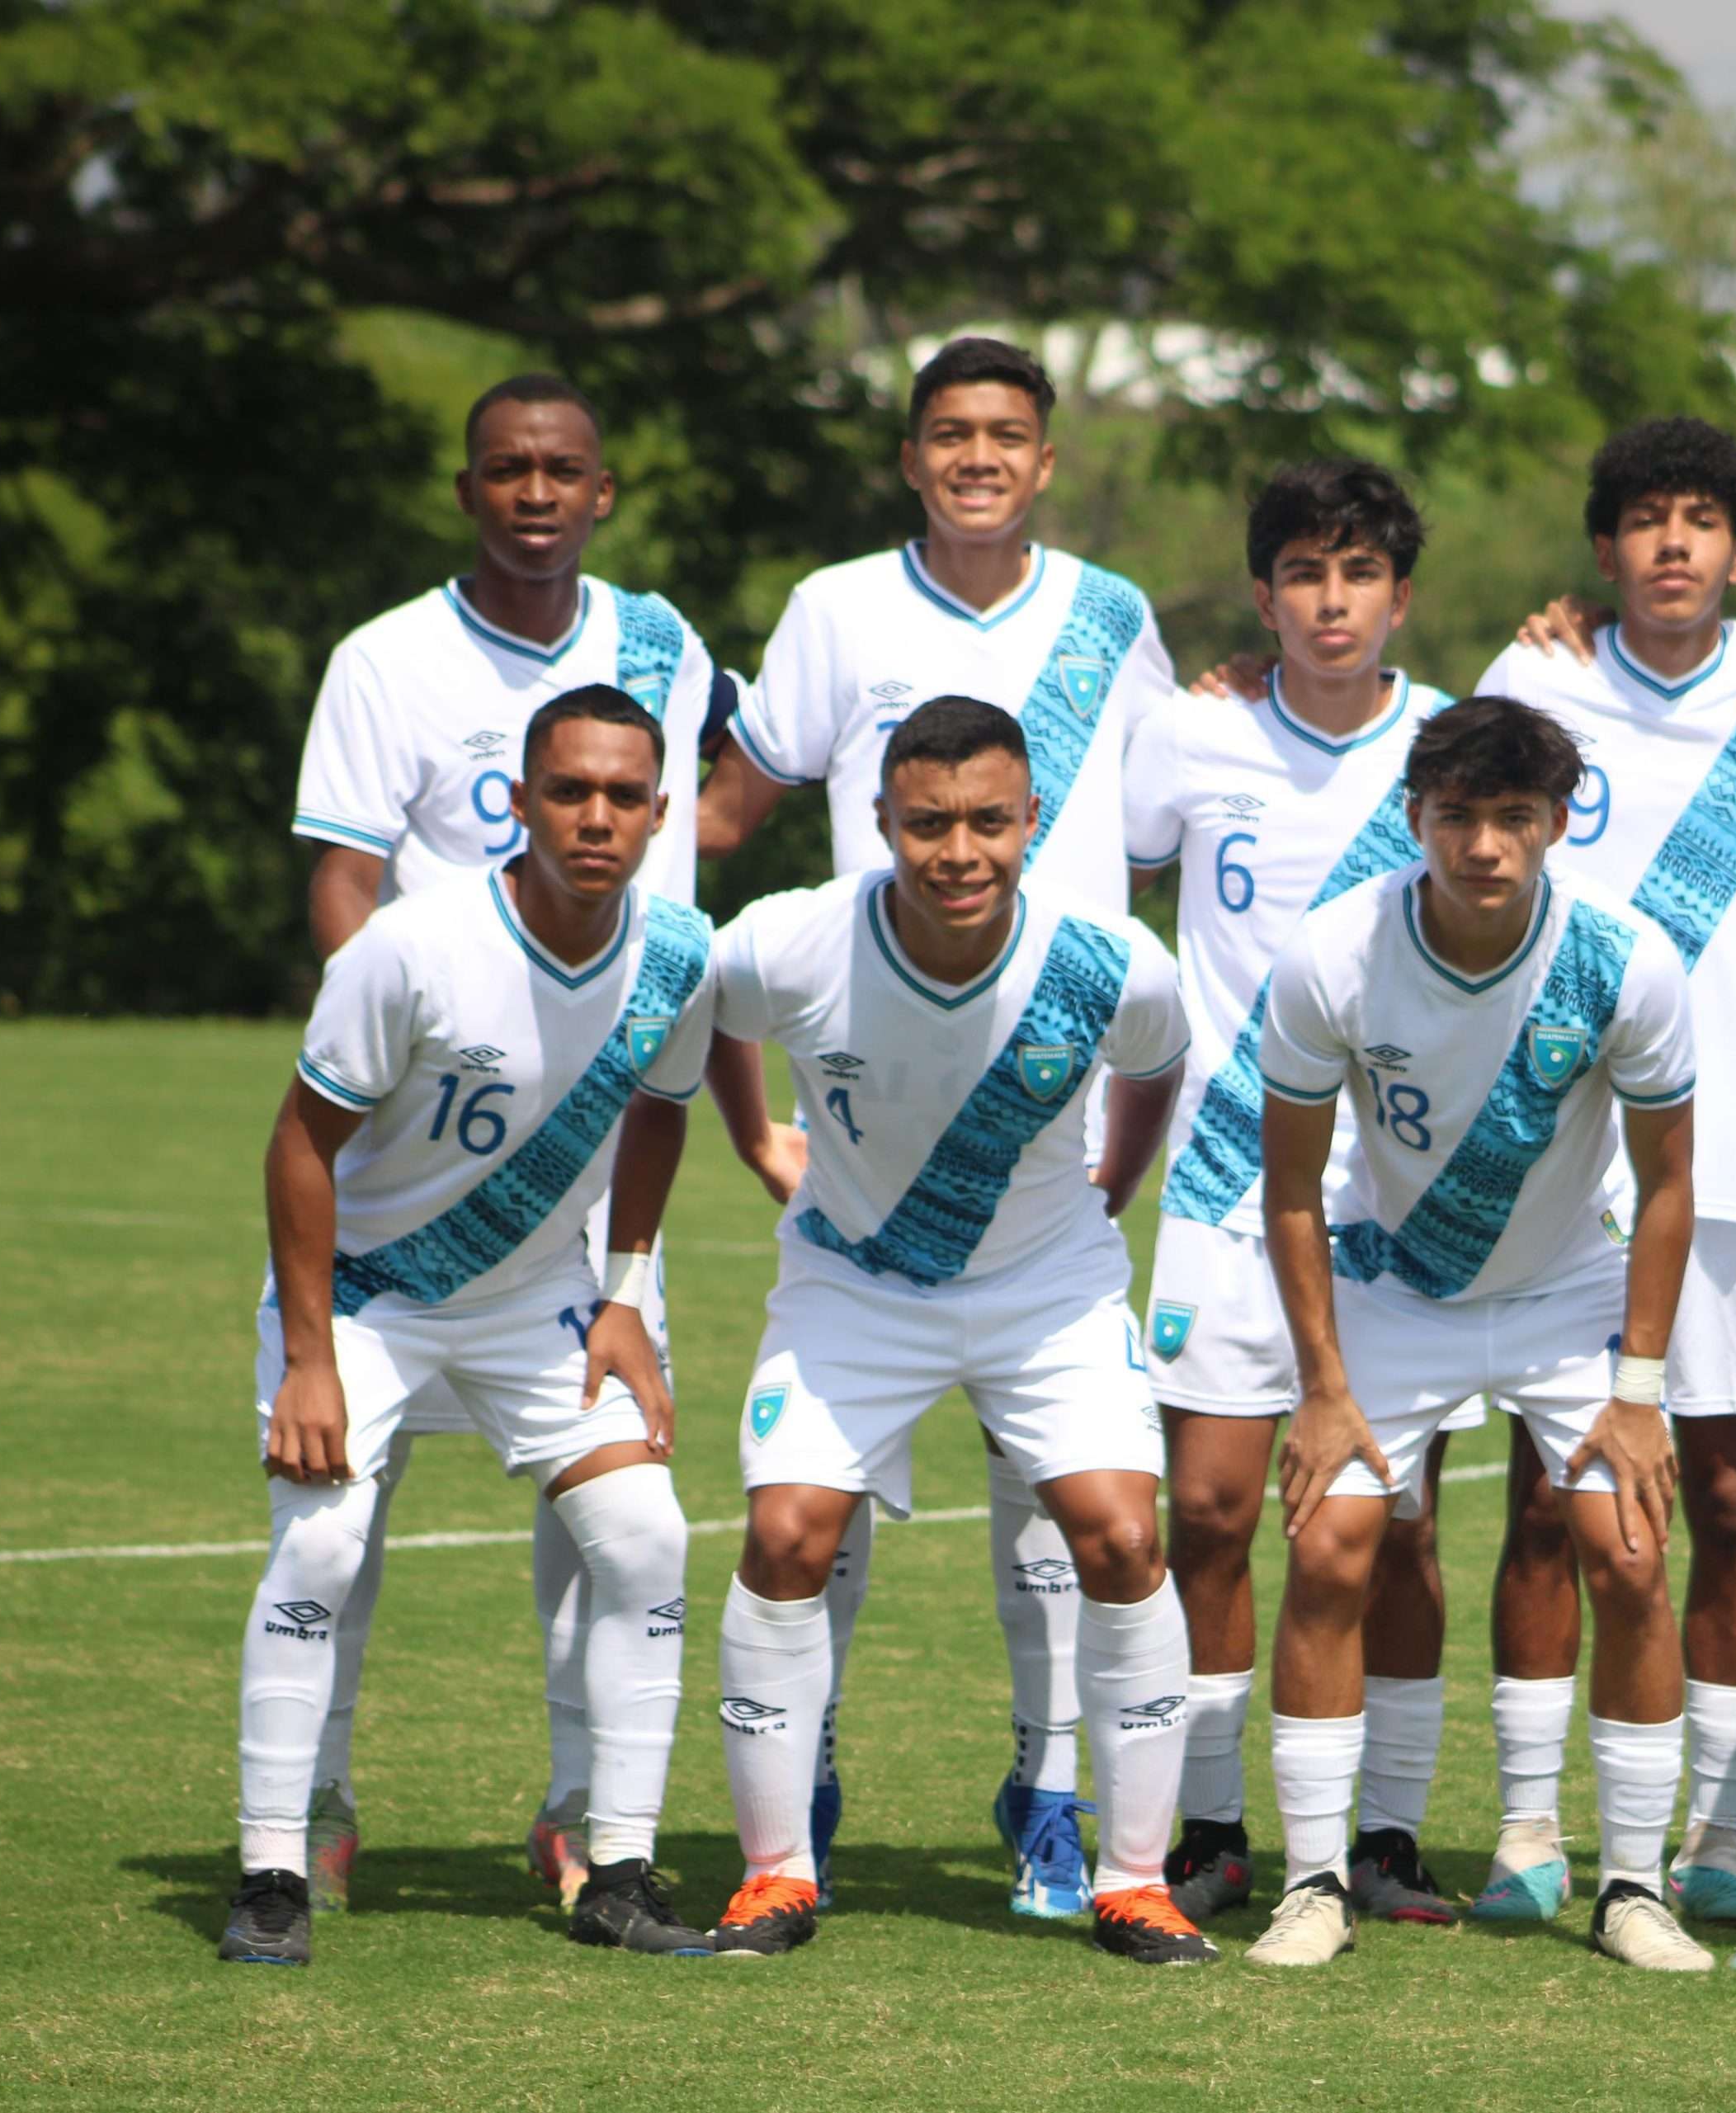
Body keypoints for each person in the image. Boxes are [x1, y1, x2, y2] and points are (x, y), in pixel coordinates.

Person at [697, 337, 1182, 1917]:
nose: (978, 455)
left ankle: (1055, 1800)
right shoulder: (838, 609)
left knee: (1072, 1508)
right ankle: (799, 1790)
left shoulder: (1115, 615)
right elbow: (735, 804)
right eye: (949, 433)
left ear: (1046, 458)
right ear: (910, 456)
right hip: (872, 1077)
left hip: (1045, 1091)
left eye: (1007, 434)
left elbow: (1182, 798)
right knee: (804, 1526)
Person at [284, 374, 736, 1913]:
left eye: (564, 472)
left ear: (604, 489)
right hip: (422, 1130)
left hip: (585, 1177)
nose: (536, 494)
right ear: (469, 489)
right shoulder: (385, 657)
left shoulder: (665, 645)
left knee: (612, 1520)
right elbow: (347, 876)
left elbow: (758, 774)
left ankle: (583, 1818)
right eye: (505, 471)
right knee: (341, 1524)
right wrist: (404, 1035)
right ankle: (314, 1804)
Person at [223, 686, 714, 1966]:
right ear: (518, 801)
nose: (596, 817)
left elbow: (662, 1103)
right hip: (370, 1299)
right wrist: (313, 1356)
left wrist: (625, 1292)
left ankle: (620, 1866)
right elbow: (297, 1141)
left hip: (532, 1305)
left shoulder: (677, 951)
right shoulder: (407, 945)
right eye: (570, 791)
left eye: (623, 795)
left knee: (647, 1537)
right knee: (321, 1552)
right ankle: (273, 1865)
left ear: (662, 812)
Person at [1455, 418, 1736, 1927]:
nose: (1674, 544)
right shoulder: (1535, 680)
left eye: (1703, 520)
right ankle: (1524, 1829)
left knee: (1731, 1496)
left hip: (1734, 1152)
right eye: (1645, 519)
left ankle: (1717, 1828)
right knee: (1553, 1498)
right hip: (1556, 1146)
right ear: (1605, 548)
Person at [1241, 698, 1708, 1971]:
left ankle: (1628, 1888)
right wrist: (1324, 1388)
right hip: (1395, 1292)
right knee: (1335, 1548)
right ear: (1417, 819)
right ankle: (1315, 1882)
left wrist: (1641, 1385)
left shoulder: (1626, 959)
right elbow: (1290, 1189)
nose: (1484, 844)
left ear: (1559, 823)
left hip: (1568, 1298)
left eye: (1514, 817)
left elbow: (1668, 1184)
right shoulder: (1333, 954)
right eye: (1458, 815)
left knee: (1625, 1552)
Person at [1122, 460, 1464, 1927]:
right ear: (1262, 597)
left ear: (1401, 595)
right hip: (1220, 1177)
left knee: (1395, 1523)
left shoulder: (1450, 747)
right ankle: (1212, 1825)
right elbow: (1114, 890)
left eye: (1360, 575)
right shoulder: (1190, 731)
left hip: (1392, 1192)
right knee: (1204, 1511)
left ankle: (1383, 1836)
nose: (1333, 603)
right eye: (1304, 576)